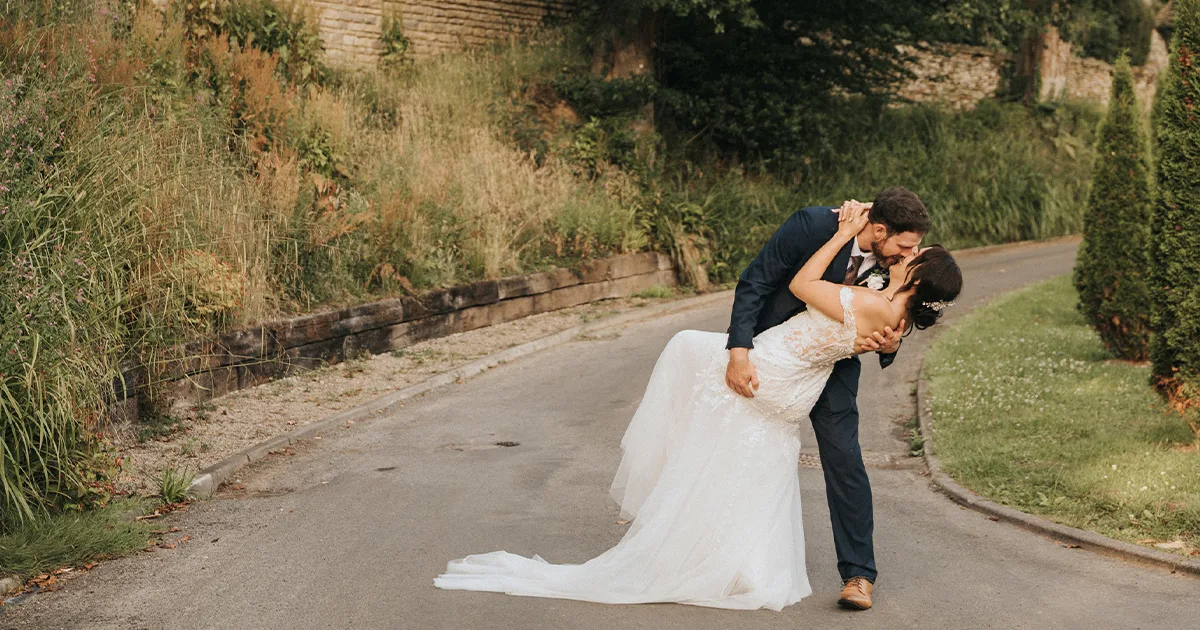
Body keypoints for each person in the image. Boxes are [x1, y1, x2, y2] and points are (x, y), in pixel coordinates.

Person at [434, 194, 963, 612]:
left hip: (826, 369)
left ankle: (859, 575)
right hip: (772, 351)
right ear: (877, 229)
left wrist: (889, 344)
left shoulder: (897, 273)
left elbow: (894, 322)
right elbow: (756, 282)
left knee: (845, 461)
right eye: (902, 246)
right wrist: (738, 350)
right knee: (730, 442)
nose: (906, 256)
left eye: (913, 252)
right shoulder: (813, 226)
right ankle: (702, 540)